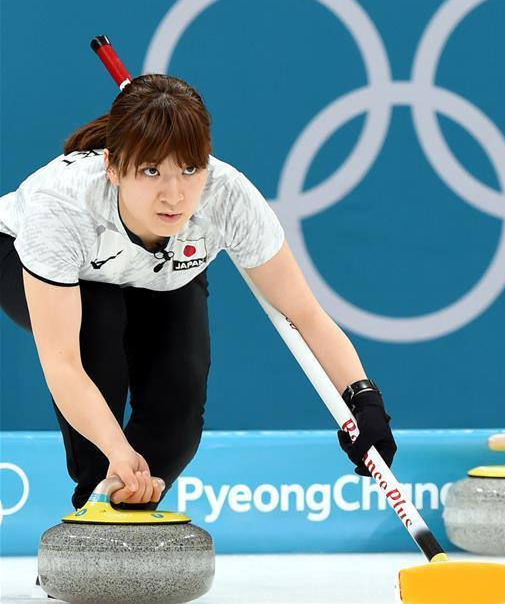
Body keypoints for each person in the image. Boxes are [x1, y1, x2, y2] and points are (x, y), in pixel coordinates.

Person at [0, 73, 396, 509]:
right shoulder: (63, 206)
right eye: (151, 171)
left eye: (190, 169)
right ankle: (90, 523)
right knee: (100, 323)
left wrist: (365, 400)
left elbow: (305, 316)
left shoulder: (227, 198)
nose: (174, 195)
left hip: (159, 274)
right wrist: (117, 453)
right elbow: (63, 363)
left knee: (177, 416)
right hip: (31, 262)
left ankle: (126, 519)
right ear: (113, 167)